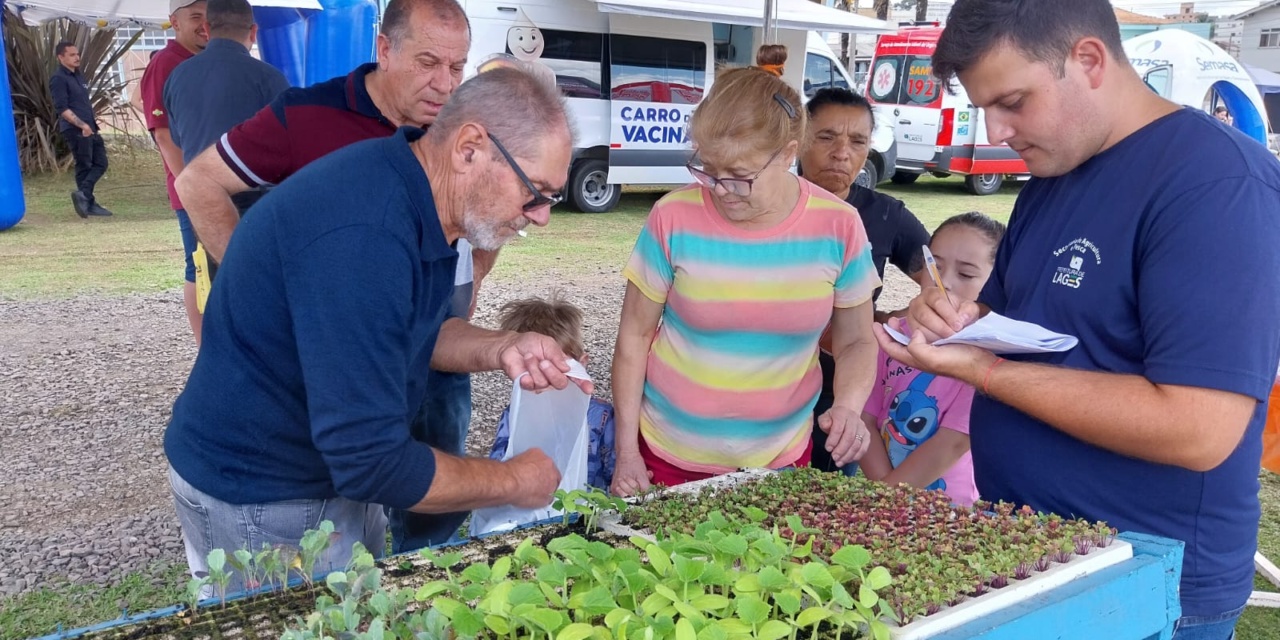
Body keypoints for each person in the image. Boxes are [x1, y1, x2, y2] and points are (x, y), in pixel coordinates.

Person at [881, 1, 1280, 636]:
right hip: (1029, 550)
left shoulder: (1217, 185)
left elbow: (1199, 427)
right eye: (984, 108)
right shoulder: (1054, 172)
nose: (997, 132)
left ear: (1089, 60)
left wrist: (984, 371)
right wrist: (957, 318)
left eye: (1013, 101)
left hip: (1145, 579)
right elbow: (1011, 317)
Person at [163, 67, 583, 593]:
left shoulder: (421, 196)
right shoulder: (367, 236)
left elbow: (417, 331)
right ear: (469, 148)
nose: (541, 217)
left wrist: (504, 346)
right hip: (264, 493)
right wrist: (514, 480)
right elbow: (373, 462)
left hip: (324, 474)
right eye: (535, 191)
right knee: (314, 625)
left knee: (359, 612)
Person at [174, 0, 481, 555]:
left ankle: (420, 564)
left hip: (424, 353)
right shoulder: (307, 114)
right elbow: (198, 182)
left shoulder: (455, 129)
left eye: (457, 67)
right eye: (428, 63)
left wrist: (473, 309)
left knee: (411, 503)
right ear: (384, 49)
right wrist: (262, 288)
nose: (444, 84)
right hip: (310, 399)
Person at [610, 65, 881, 498]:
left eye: (739, 175)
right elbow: (634, 337)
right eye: (708, 168)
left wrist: (848, 405)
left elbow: (857, 341)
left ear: (787, 154)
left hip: (779, 460)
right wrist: (626, 452)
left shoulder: (840, 226)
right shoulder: (672, 216)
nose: (720, 189)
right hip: (667, 453)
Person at [798, 87, 931, 474]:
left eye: (857, 141)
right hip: (767, 387)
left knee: (824, 496)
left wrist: (889, 322)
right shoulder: (770, 204)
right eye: (826, 137)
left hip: (843, 392)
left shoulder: (886, 214)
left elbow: (944, 285)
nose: (842, 153)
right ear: (798, 139)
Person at [859, 213, 1003, 507]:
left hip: (948, 512)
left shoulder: (987, 356)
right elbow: (864, 418)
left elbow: (953, 443)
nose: (944, 282)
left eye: (966, 274)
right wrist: (883, 493)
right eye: (934, 266)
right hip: (882, 498)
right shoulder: (893, 334)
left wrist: (887, 497)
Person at [162, 0, 289, 211]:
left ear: (207, 28)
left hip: (202, 197)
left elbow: (177, 139)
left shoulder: (177, 77)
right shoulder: (269, 77)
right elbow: (289, 142)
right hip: (256, 200)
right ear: (253, 32)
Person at [487, 293, 616, 492]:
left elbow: (615, 472)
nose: (544, 383)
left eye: (556, 372)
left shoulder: (602, 417)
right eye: (532, 373)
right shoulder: (514, 414)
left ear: (581, 364)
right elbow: (500, 466)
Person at [140, 0, 208, 342]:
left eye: (209, 16)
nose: (204, 24)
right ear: (175, 22)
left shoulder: (210, 60)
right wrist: (189, 184)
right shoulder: (165, 63)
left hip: (222, 182)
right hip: (192, 188)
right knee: (199, 265)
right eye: (195, 17)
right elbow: (163, 134)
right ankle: (205, 347)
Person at [50, 41, 111, 218]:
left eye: (77, 54)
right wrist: (82, 125)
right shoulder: (58, 79)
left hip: (90, 127)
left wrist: (90, 124)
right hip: (75, 129)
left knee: (101, 163)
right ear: (60, 57)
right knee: (84, 165)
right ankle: (88, 203)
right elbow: (62, 108)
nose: (77, 57)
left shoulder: (78, 76)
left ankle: (83, 195)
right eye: (72, 55)